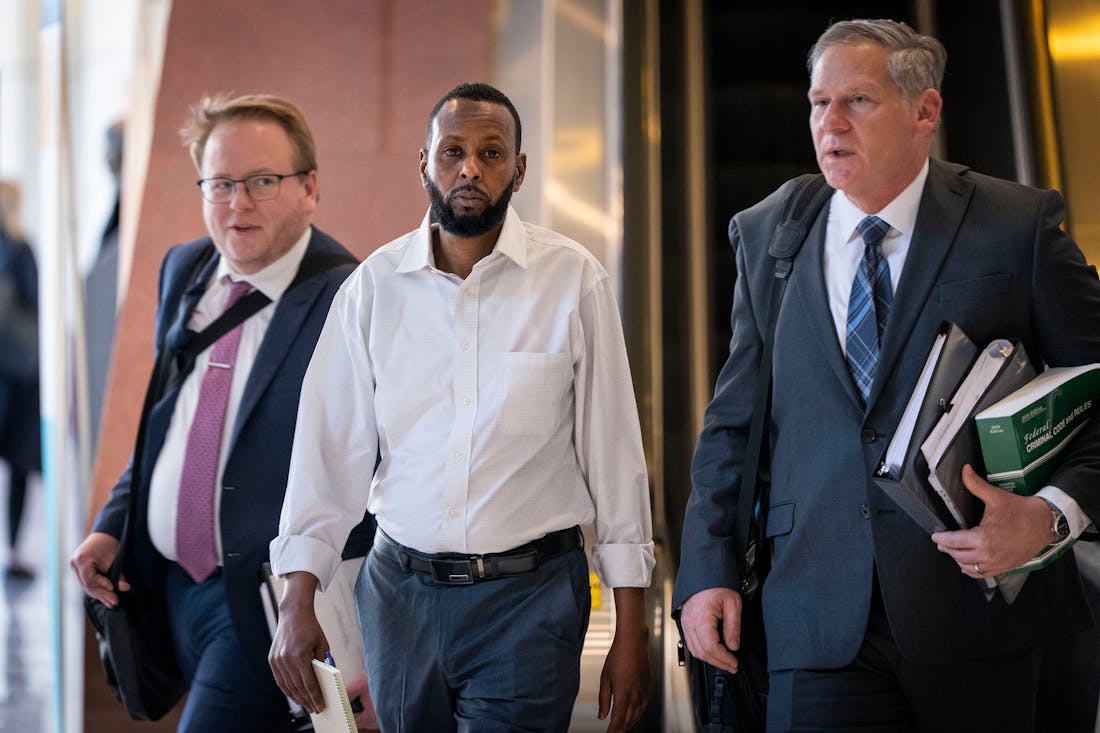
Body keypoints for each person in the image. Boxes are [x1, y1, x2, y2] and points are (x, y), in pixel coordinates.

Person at [674, 18, 1100, 732]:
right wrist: (705, 567)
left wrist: (1052, 513)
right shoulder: (769, 231)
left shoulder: (1015, 226)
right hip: (813, 616)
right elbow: (734, 422)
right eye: (818, 103)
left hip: (981, 619)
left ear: (924, 111)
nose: (829, 123)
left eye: (858, 101)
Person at [268, 82, 654, 733]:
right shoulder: (374, 288)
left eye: (491, 152)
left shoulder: (573, 281)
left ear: (519, 168)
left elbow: (615, 458)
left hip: (529, 603)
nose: (470, 168)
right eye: (453, 151)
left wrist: (633, 627)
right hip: (399, 598)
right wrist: (295, 598)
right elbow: (327, 452)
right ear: (424, 161)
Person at [69, 94, 362, 732]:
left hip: (267, 604)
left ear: (310, 187)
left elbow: (370, 470)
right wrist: (114, 521)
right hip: (169, 588)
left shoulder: (349, 297)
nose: (239, 203)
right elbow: (164, 422)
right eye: (221, 183)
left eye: (262, 181)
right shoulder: (185, 269)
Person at [0, 181, 40, 580]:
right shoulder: (20, 249)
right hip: (20, 373)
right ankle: (12, 549)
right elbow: (35, 302)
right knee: (19, 466)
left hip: (10, 373)